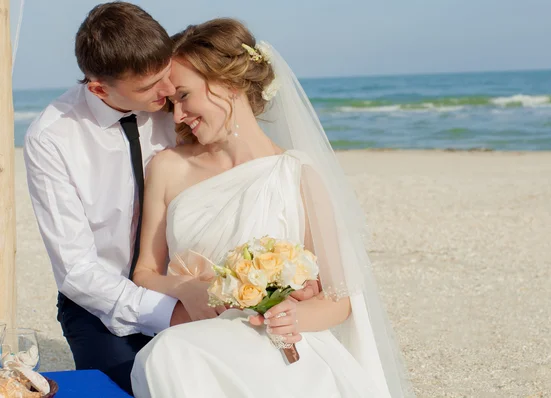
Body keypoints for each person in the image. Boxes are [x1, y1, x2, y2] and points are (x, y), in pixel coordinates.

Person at [23, 3, 317, 394]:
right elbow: (77, 271)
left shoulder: (177, 104)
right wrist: (174, 308)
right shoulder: (53, 138)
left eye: (166, 77)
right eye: (148, 87)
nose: (167, 97)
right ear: (98, 88)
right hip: (104, 305)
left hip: (211, 294)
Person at [130, 18, 415, 398]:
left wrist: (294, 315)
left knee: (167, 354)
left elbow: (339, 299)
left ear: (227, 84)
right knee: (164, 354)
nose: (177, 115)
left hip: (278, 343)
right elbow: (144, 272)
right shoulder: (168, 167)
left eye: (183, 96)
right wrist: (187, 289)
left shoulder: (297, 174)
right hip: (200, 341)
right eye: (171, 103)